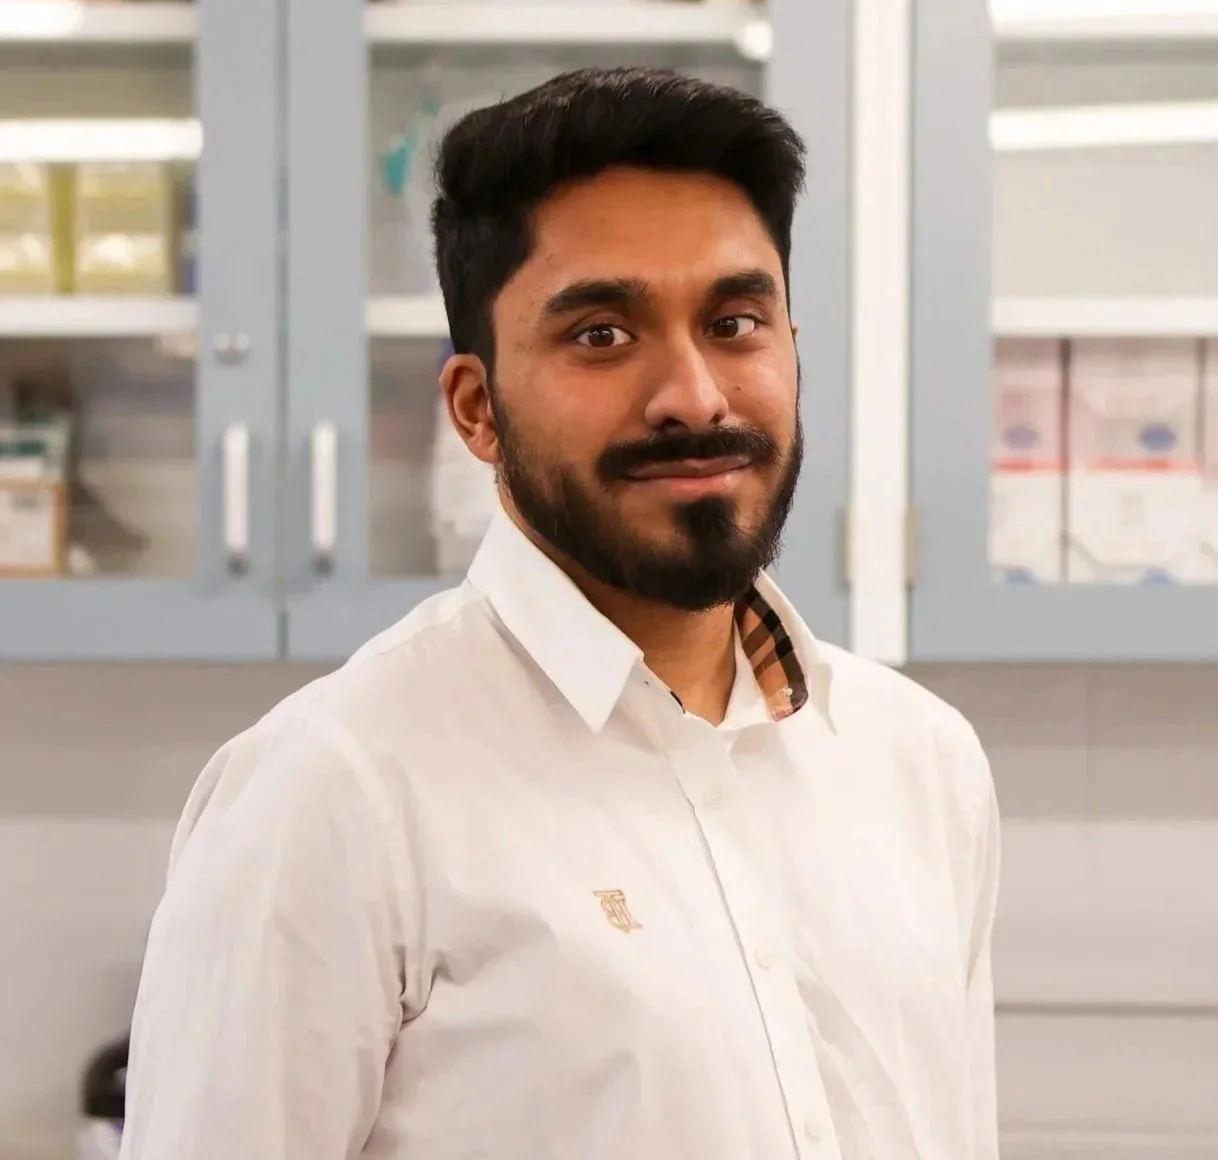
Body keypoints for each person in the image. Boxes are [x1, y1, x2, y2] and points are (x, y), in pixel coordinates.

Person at [121, 67, 1000, 1160]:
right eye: (601, 334)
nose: (694, 394)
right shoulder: (336, 783)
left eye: (734, 320)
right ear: (478, 410)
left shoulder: (919, 760)